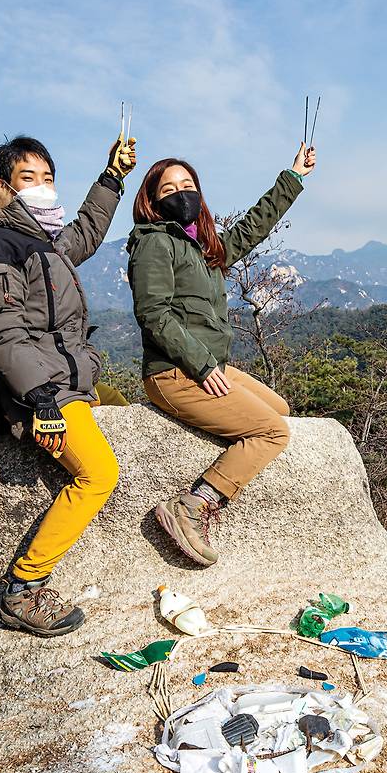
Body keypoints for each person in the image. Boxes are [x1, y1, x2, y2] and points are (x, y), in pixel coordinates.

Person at [0, 131, 136, 636]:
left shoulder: (37, 237)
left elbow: (85, 234)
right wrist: (40, 400)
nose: (41, 187)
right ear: (2, 185)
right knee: (98, 473)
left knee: (125, 406)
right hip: (42, 390)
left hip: (68, 377)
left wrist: (113, 178)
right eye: (27, 177)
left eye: (48, 177)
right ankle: (22, 589)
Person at [127, 141, 316, 566]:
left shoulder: (201, 247)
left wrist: (294, 177)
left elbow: (252, 228)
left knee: (279, 408)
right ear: (153, 201)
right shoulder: (155, 244)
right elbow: (153, 314)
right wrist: (202, 364)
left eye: (188, 184)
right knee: (273, 432)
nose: (181, 193)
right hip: (175, 373)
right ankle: (194, 504)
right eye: (169, 189)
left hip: (208, 367)